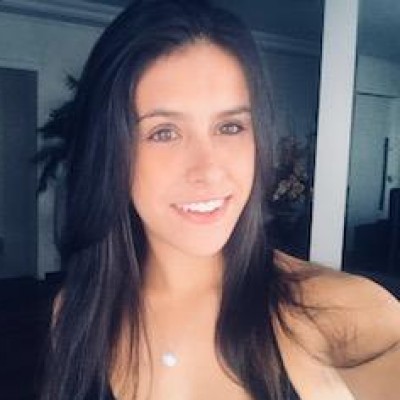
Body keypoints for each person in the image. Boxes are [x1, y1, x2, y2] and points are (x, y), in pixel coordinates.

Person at [39, 0, 400, 399]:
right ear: (110, 150)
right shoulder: (78, 310)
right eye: (164, 132)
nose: (209, 170)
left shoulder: (339, 313)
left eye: (230, 127)